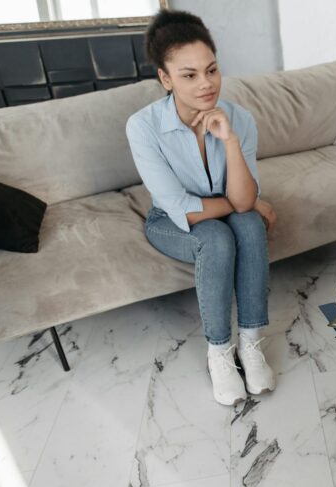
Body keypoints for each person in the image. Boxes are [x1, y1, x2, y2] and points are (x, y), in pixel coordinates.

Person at [126, 10, 277, 406]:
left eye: (211, 70)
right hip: (169, 221)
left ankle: (250, 342)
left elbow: (243, 203)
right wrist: (246, 203)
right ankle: (219, 351)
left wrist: (229, 141)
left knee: (249, 225)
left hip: (218, 210)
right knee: (218, 237)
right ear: (166, 79)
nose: (206, 84)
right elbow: (182, 208)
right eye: (189, 75)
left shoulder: (240, 118)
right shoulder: (142, 127)